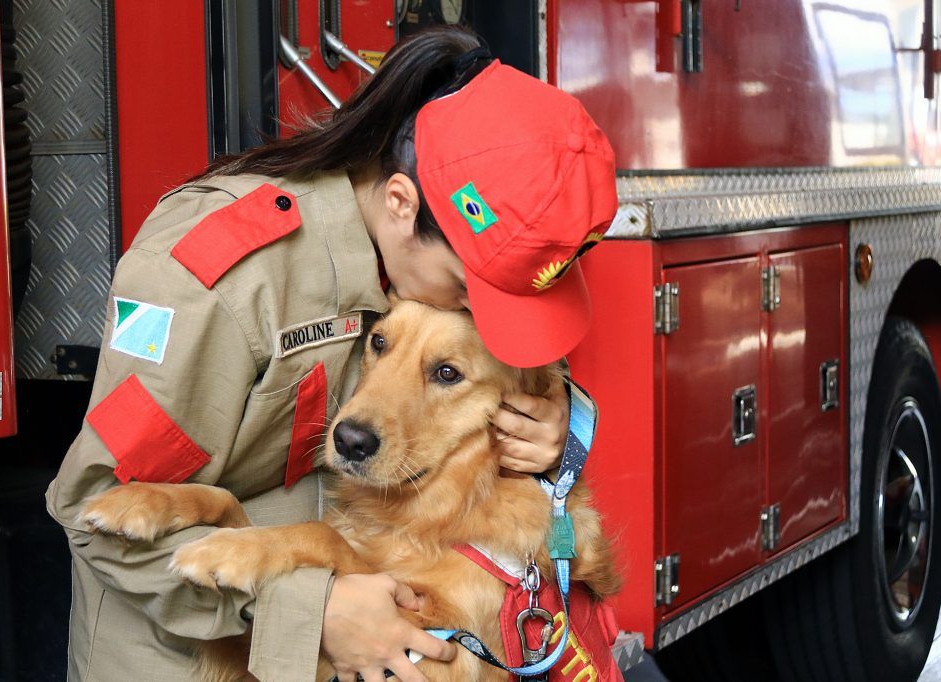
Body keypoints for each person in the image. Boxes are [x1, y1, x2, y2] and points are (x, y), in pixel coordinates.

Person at [45, 25, 617, 682]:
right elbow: (95, 508)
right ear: (401, 204)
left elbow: (492, 369)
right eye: (469, 293)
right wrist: (311, 610)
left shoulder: (412, 263)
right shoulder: (221, 277)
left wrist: (551, 424)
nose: (470, 317)